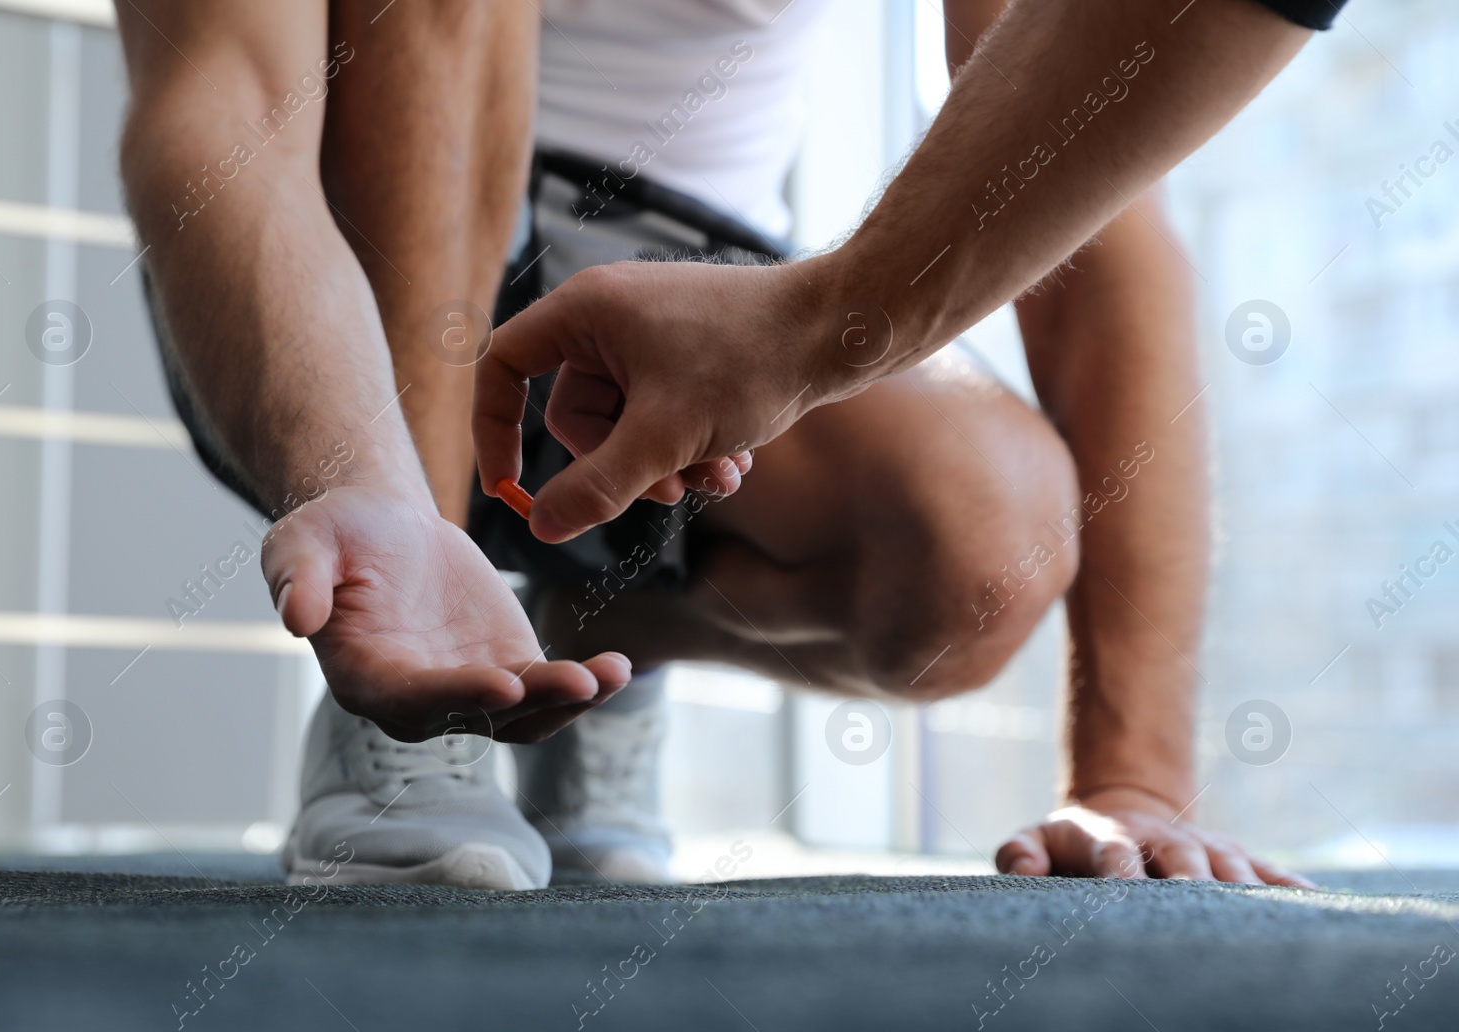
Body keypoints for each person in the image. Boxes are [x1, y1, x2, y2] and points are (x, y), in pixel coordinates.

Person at [115, 0, 1339, 891]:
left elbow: (1093, 168)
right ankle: (410, 680)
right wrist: (361, 475)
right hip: (337, 273)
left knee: (985, 539)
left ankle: (565, 644)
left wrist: (1131, 773)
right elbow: (223, 103)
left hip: (680, 297)